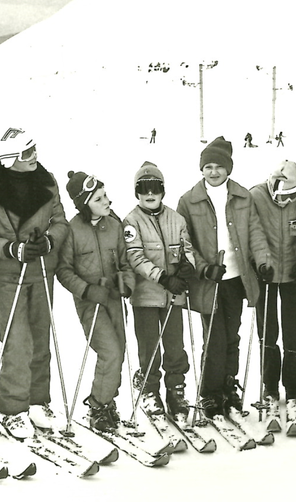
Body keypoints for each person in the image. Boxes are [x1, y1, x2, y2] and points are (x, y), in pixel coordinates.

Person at [0, 128, 68, 439]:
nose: (34, 156)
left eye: (35, 148)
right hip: (9, 274)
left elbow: (60, 220)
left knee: (41, 337)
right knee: (17, 341)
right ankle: (13, 409)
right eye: (27, 153)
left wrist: (50, 241)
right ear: (10, 159)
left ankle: (37, 401)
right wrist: (12, 248)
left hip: (41, 268)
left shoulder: (47, 181)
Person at [177, 137, 273, 417]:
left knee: (232, 336)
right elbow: (184, 243)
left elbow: (255, 232)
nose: (214, 172)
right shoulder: (189, 200)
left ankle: (228, 386)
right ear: (201, 169)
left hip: (235, 278)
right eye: (208, 166)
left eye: (219, 166)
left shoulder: (243, 196)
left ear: (228, 168)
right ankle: (210, 392)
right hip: (210, 281)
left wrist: (263, 261)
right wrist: (204, 267)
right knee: (215, 339)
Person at [56, 171, 135, 430]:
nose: (107, 201)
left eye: (106, 195)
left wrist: (126, 282)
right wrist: (87, 291)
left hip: (113, 298)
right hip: (90, 302)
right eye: (100, 198)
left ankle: (108, 399)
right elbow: (64, 270)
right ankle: (98, 406)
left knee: (119, 350)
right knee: (109, 350)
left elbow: (125, 262)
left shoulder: (114, 225)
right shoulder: (71, 230)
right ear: (84, 202)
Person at [123, 162, 195, 422]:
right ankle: (150, 391)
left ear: (163, 190)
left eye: (154, 188)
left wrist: (187, 268)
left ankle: (176, 390)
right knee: (149, 348)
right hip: (146, 297)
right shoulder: (131, 221)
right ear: (137, 193)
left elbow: (187, 248)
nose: (149, 194)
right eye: (143, 189)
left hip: (173, 297)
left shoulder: (176, 219)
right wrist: (163, 277)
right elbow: (135, 257)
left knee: (175, 347)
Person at [249, 160, 296, 406]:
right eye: (281, 195)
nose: (285, 200)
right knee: (269, 330)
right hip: (267, 271)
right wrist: (261, 262)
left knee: (293, 329)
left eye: (291, 196)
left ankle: (293, 385)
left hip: (291, 271)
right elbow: (254, 232)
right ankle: (270, 384)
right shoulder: (256, 196)